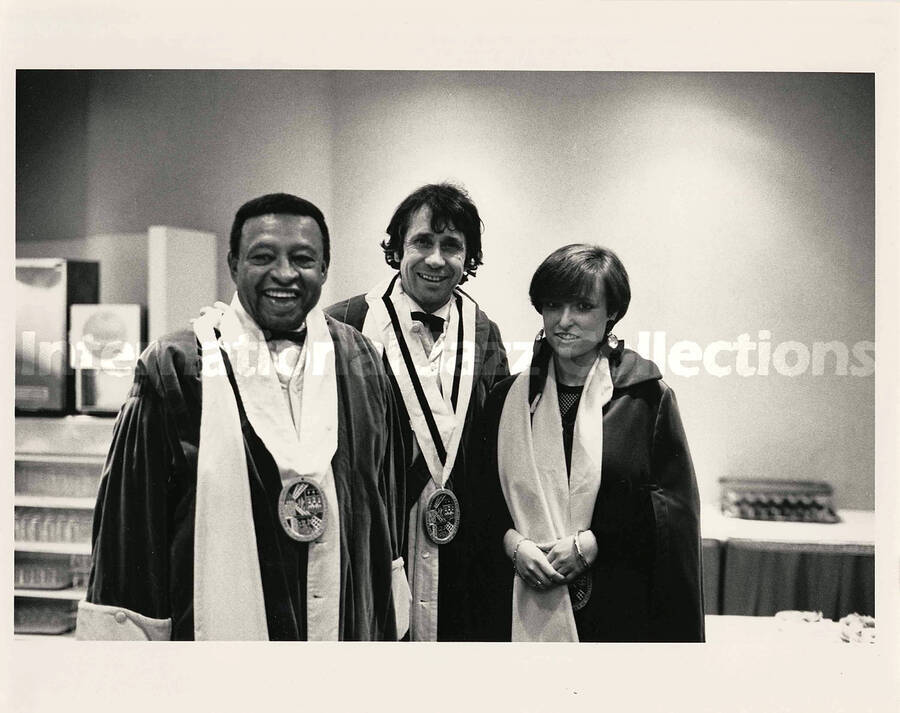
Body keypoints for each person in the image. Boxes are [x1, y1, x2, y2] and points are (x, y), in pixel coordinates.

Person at [76, 193, 408, 641]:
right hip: (215, 638)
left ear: (325, 269)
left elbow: (380, 502)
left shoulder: (362, 362)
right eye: (263, 256)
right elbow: (131, 529)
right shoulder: (177, 367)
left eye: (303, 258)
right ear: (233, 265)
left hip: (344, 630)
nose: (285, 273)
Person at [472, 244, 704, 642]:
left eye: (582, 307)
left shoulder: (645, 398)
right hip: (516, 594)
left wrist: (595, 543)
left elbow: (672, 509)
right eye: (552, 305)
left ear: (611, 312)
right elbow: (480, 496)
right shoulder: (505, 399)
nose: (563, 321)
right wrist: (513, 544)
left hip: (615, 605)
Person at [326, 183, 509, 640]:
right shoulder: (343, 325)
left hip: (461, 552)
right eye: (422, 242)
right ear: (396, 248)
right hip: (372, 542)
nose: (436, 259)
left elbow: (495, 451)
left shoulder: (485, 334)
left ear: (469, 259)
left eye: (452, 246)